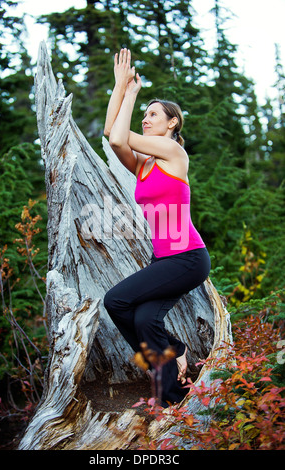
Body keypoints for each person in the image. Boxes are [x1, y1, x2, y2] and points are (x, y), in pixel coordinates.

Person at [103, 48, 211, 407]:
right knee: (145, 318)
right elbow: (110, 133)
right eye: (144, 115)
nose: (146, 120)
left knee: (115, 300)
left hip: (187, 257)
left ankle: (170, 364)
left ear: (172, 123)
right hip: (163, 259)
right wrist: (120, 87)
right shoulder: (143, 164)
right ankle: (175, 391)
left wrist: (131, 94)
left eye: (153, 115)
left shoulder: (174, 155)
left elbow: (119, 137)